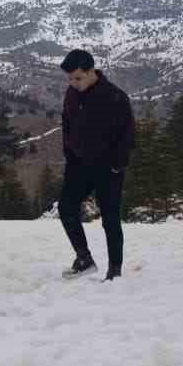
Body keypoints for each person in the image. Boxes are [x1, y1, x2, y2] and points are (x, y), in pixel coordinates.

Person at [57, 49, 135, 280]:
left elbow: (128, 136)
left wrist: (116, 165)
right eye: (70, 79)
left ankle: (115, 271)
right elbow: (67, 124)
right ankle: (84, 259)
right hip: (79, 165)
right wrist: (69, 154)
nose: (73, 83)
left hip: (108, 168)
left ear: (92, 71)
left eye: (78, 78)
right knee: (66, 208)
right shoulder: (72, 94)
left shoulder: (115, 97)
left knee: (110, 219)